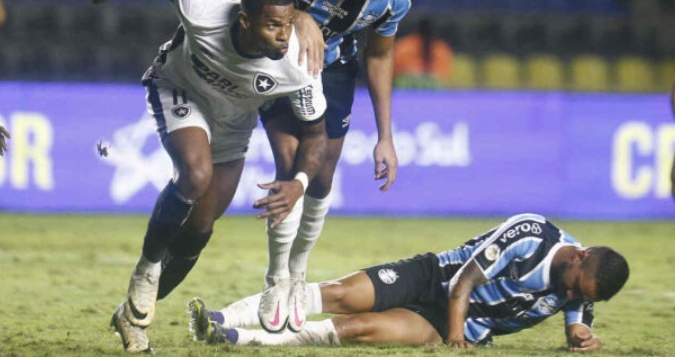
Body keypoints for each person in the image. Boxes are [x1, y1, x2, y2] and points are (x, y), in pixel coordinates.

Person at [78, 0, 328, 353]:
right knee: (195, 176)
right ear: (244, 21)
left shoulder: (299, 65)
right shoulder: (204, 8)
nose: (284, 37)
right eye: (273, 26)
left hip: (233, 123)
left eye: (287, 25)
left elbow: (316, 135)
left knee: (200, 226)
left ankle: (132, 314)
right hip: (178, 90)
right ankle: (147, 268)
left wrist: (300, 181)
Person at [230, 0, 413, 332]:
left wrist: (386, 136)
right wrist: (299, 16)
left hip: (332, 69)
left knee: (322, 178)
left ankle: (298, 273)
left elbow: (381, 55)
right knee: (291, 160)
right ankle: (276, 278)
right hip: (275, 62)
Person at [187, 213, 629, 351]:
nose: (569, 295)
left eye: (579, 296)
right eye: (574, 285)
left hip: (459, 323)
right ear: (580, 256)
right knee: (342, 296)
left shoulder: (582, 284)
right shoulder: (532, 234)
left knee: (360, 330)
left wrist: (580, 334)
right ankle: (220, 315)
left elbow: (578, 317)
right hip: (435, 277)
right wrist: (456, 339)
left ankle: (236, 339)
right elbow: (463, 284)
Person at [393, 17, 453, 88]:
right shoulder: (404, 47)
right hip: (406, 89)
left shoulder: (441, 49)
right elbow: (395, 73)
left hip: (434, 90)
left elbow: (443, 76)